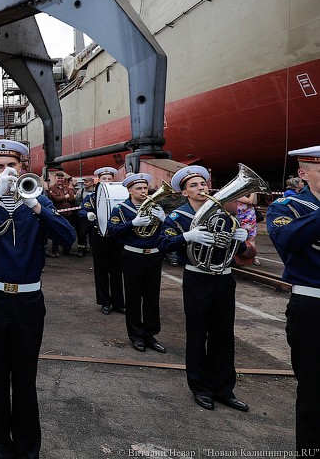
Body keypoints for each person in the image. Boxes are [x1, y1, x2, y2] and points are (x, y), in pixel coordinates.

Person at [0, 139, 75, 458]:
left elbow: (68, 238)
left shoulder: (38, 202)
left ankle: (27, 451)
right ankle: (0, 451)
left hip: (27, 303)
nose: (7, 171)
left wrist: (36, 205)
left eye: (12, 166)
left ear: (22, 167)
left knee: (25, 381)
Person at [161, 165, 250, 412]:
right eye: (194, 186)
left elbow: (238, 252)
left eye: (203, 184)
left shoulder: (223, 214)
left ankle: (224, 389)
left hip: (224, 279)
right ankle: (200, 388)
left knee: (224, 336)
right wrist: (187, 237)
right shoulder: (178, 217)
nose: (201, 189)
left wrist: (240, 241)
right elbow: (163, 243)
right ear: (184, 193)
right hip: (197, 279)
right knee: (198, 335)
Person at [267, 145, 320, 454]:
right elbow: (287, 239)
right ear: (304, 173)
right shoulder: (287, 207)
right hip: (312, 307)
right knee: (314, 393)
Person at [107, 173, 170, 353]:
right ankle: (136, 336)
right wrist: (132, 223)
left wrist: (164, 220)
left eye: (145, 188)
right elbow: (112, 230)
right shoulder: (121, 209)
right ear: (129, 190)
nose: (144, 192)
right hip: (133, 256)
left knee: (152, 297)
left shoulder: (156, 207)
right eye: (139, 189)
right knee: (133, 298)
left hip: (153, 256)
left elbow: (166, 233)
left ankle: (150, 335)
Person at [80, 166, 125, 315]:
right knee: (101, 269)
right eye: (104, 179)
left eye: (109, 178)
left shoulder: (119, 195)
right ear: (99, 180)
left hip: (114, 236)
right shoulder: (91, 197)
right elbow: (82, 210)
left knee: (117, 270)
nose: (107, 181)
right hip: (98, 235)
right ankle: (105, 302)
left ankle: (119, 302)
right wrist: (88, 215)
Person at [46, 171, 76, 256]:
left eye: (61, 178)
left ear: (63, 179)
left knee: (68, 232)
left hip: (68, 213)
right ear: (55, 179)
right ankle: (55, 250)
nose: (60, 179)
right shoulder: (52, 188)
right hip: (58, 213)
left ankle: (67, 250)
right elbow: (55, 199)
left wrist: (64, 197)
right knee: (57, 232)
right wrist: (65, 196)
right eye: (58, 178)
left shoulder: (67, 188)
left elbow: (72, 198)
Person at [75, 176, 96, 255]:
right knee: (82, 233)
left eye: (86, 182)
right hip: (83, 216)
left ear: (92, 183)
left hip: (93, 216)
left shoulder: (96, 191)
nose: (84, 183)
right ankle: (81, 250)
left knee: (92, 234)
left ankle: (92, 248)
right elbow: (77, 202)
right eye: (84, 182)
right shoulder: (80, 191)